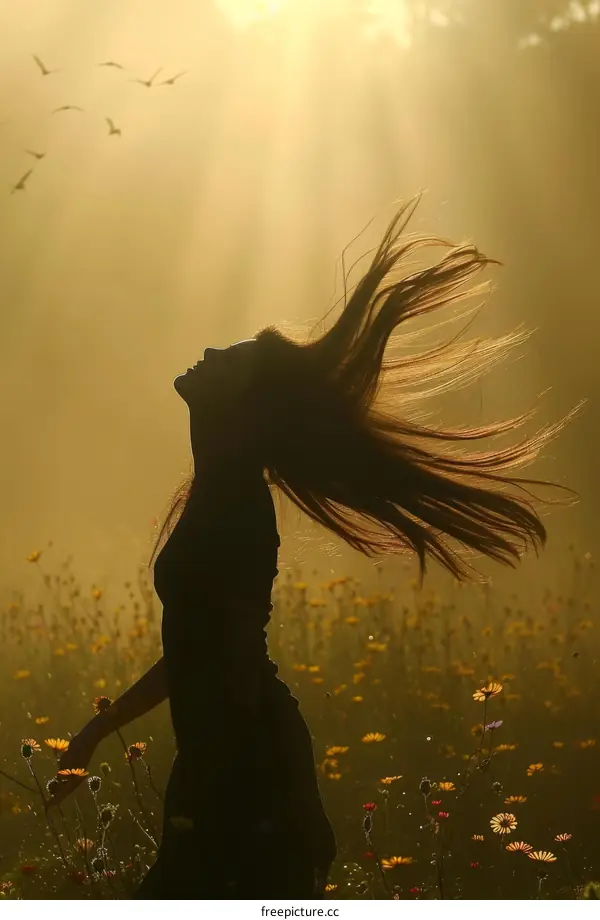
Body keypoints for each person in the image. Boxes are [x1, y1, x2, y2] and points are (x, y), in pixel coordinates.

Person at [47, 192, 582, 898]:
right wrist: (95, 732)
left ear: (243, 406)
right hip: (229, 761)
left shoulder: (233, 507)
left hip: (241, 773)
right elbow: (198, 650)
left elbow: (230, 664)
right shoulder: (217, 494)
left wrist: (213, 789)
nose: (207, 352)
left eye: (227, 359)